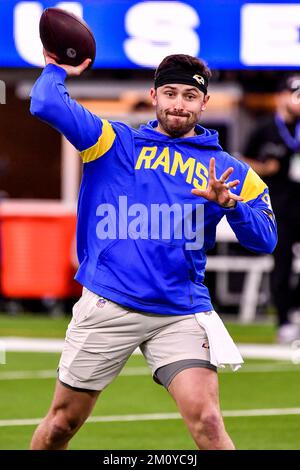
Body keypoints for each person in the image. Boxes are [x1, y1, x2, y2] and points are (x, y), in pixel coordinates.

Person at [29, 52, 277, 450]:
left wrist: (232, 205)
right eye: (170, 93)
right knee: (61, 423)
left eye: (189, 96)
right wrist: (58, 67)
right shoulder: (112, 142)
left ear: (204, 102)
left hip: (180, 310)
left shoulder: (228, 170)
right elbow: (44, 102)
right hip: (110, 303)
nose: (179, 103)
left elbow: (266, 239)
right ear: (154, 96)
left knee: (209, 423)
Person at [243, 74, 300, 343]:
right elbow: (240, 161)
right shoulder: (265, 128)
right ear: (281, 96)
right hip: (278, 206)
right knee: (282, 264)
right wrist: (264, 168)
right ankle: (284, 321)